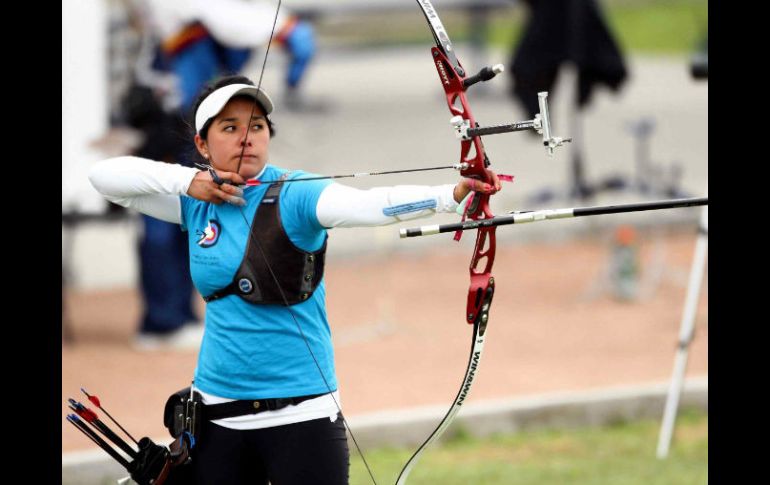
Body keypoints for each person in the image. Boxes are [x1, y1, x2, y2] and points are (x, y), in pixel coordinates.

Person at [88, 74, 501, 484]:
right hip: (217, 414)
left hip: (302, 414)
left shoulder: (297, 193)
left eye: (256, 126)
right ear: (201, 143)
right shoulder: (193, 203)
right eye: (229, 128)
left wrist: (451, 195)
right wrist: (188, 181)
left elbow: (368, 204)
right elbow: (105, 177)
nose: (246, 138)